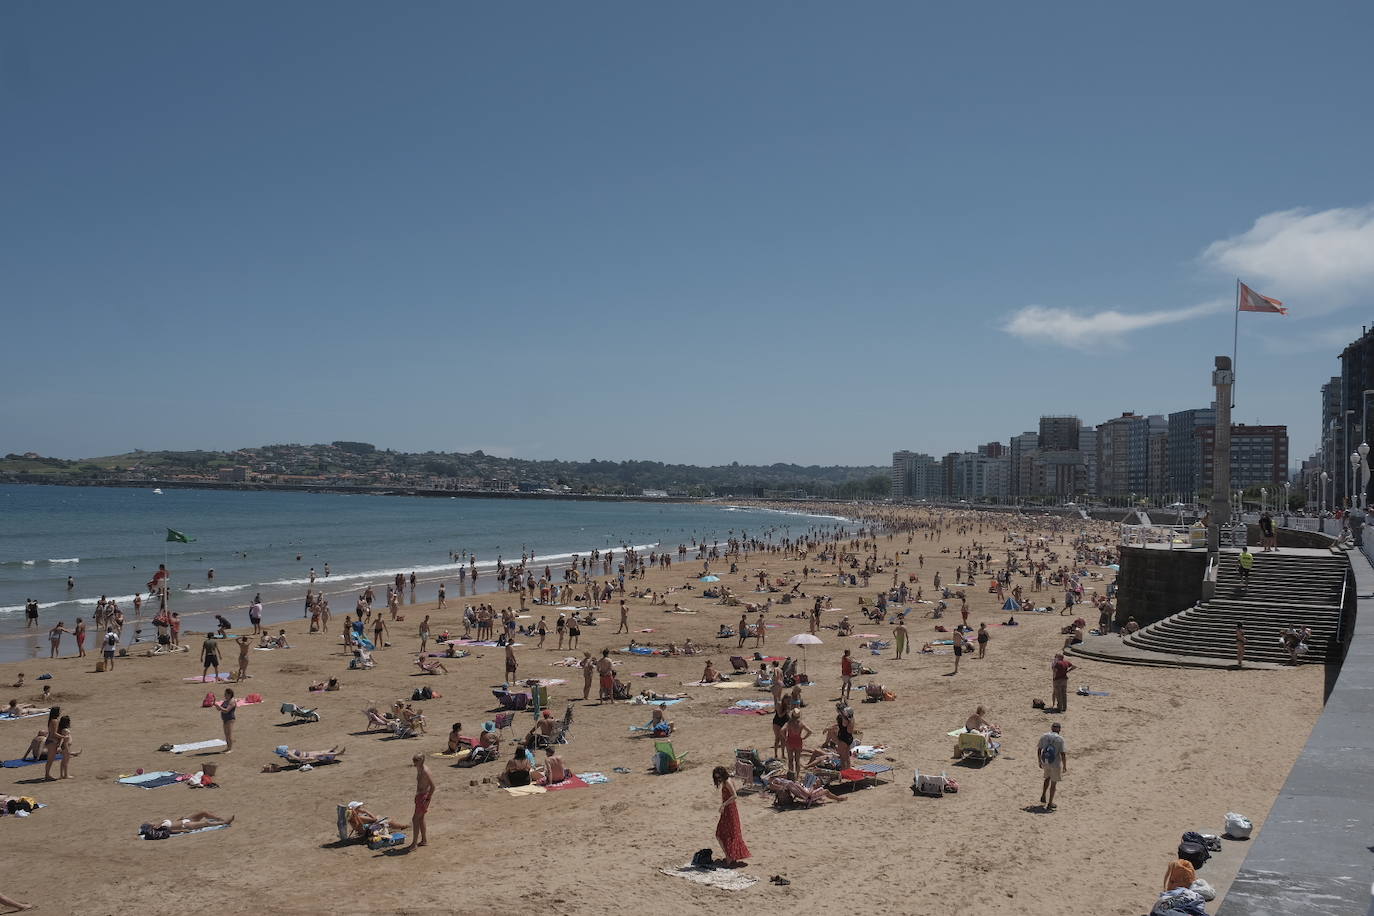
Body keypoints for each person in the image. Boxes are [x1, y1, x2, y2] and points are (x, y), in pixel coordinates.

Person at [712, 766, 751, 867]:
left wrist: (724, 804)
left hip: (730, 810)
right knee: (726, 833)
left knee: (721, 833)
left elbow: (734, 795)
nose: (718, 780)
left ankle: (729, 857)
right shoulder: (727, 780)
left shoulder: (727, 782)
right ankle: (730, 856)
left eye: (719, 777)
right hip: (728, 810)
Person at [1037, 722, 1067, 810]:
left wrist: (1039, 761)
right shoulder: (1060, 739)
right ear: (1059, 729)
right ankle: (1050, 803)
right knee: (1053, 783)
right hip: (1055, 763)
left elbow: (1039, 749)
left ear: (1051, 728)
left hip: (1045, 761)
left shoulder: (1044, 736)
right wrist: (1064, 766)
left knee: (1047, 778)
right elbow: (1063, 754)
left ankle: (1043, 795)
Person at [408, 753, 434, 849]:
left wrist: (427, 798)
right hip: (420, 796)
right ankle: (424, 840)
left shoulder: (425, 771)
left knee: (415, 819)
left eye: (415, 761)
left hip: (423, 797)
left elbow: (433, 787)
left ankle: (414, 844)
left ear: (421, 761)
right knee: (421, 818)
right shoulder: (419, 768)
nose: (414, 763)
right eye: (413, 761)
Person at [43, 714, 72, 781]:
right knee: (65, 761)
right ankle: (65, 775)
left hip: (63, 746)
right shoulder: (65, 730)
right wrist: (66, 748)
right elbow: (64, 740)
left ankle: (62, 775)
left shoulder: (61, 729)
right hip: (65, 746)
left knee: (63, 761)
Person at [217, 688, 236, 753]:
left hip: (230, 719)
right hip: (225, 719)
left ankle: (230, 749)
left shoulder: (232, 701)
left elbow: (226, 710)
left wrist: (219, 707)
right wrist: (215, 705)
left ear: (230, 694)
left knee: (229, 734)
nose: (224, 695)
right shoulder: (225, 701)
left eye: (226, 694)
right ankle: (228, 748)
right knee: (226, 734)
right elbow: (219, 709)